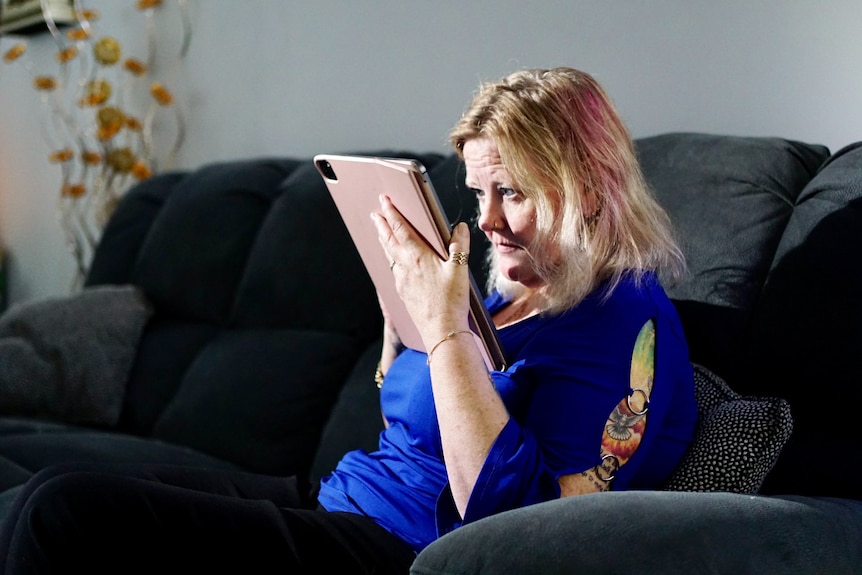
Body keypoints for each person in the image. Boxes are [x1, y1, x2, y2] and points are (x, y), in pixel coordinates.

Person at [0, 67, 697, 574]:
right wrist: (407, 320)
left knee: (62, 512)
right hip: (336, 498)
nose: (485, 222)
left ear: (584, 183)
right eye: (479, 192)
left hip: (401, 548)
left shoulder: (624, 321)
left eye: (509, 193)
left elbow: (514, 527)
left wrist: (445, 328)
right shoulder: (504, 294)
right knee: (30, 492)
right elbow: (408, 403)